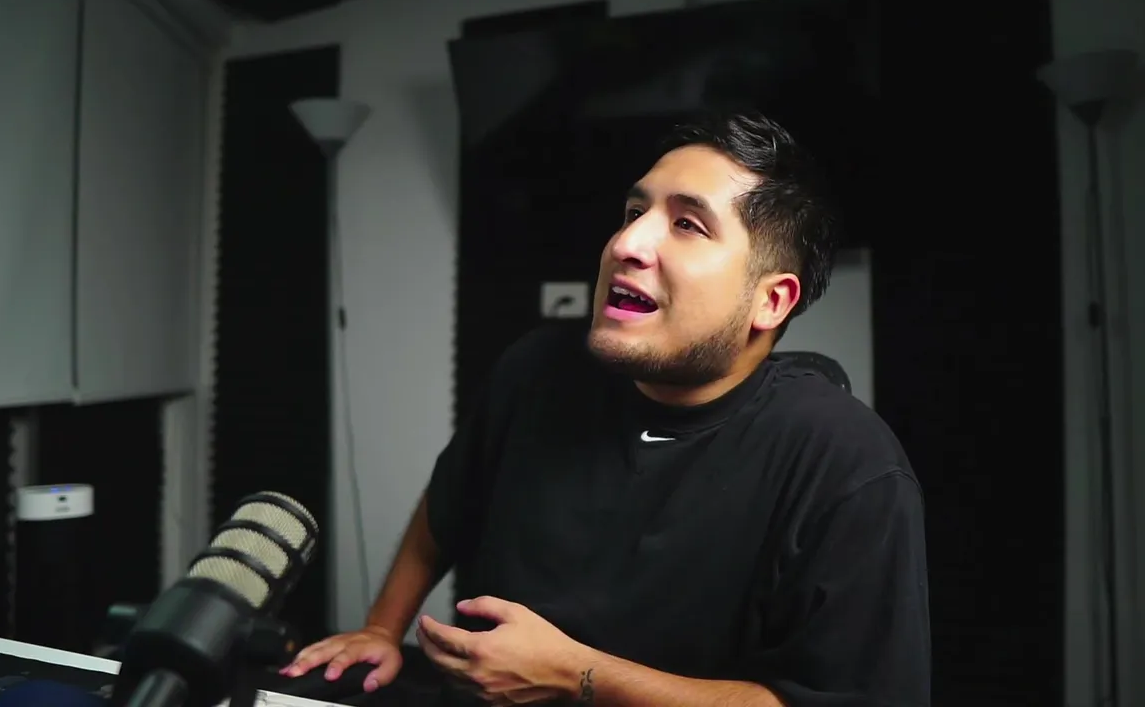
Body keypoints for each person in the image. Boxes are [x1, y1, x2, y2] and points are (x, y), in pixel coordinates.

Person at [281, 112, 931, 706]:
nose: (627, 243)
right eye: (633, 212)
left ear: (771, 301)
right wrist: (381, 628)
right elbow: (446, 503)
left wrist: (576, 675)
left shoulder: (847, 464)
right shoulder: (535, 369)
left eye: (688, 224)